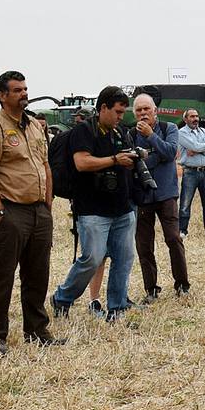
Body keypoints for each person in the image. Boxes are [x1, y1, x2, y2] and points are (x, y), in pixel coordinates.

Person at [0, 71, 60, 349]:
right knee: (3, 276)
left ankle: (37, 331)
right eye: (17, 90)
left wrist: (47, 204)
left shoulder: (35, 125)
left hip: (38, 211)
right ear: (2, 95)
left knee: (38, 275)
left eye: (25, 89)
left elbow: (45, 165)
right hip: (10, 211)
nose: (24, 93)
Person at [50, 87, 138, 321]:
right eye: (118, 112)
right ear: (103, 108)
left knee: (124, 258)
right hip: (92, 209)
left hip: (122, 206)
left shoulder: (120, 132)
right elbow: (81, 162)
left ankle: (117, 307)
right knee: (92, 259)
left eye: (123, 112)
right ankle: (62, 298)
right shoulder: (83, 131)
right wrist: (114, 160)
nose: (121, 116)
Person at [129, 90, 187, 301]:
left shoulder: (169, 128)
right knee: (144, 245)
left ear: (155, 111)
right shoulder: (129, 135)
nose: (143, 113)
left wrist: (150, 138)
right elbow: (134, 163)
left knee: (173, 238)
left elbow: (171, 153)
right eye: (139, 110)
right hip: (142, 197)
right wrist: (155, 157)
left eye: (147, 109)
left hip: (166, 194)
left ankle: (182, 284)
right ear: (134, 113)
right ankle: (151, 288)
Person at [175, 108, 205, 236]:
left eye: (197, 116)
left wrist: (198, 149)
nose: (195, 119)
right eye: (192, 116)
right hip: (190, 172)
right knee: (185, 204)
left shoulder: (203, 131)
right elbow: (197, 146)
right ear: (185, 119)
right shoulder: (181, 133)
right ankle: (182, 230)